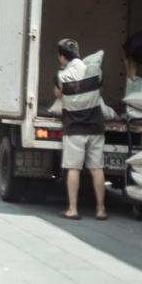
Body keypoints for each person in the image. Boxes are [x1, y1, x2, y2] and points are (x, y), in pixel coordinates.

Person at [54, 39, 107, 221]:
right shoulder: (94, 71)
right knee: (97, 168)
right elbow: (100, 87)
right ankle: (101, 210)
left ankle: (73, 209)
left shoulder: (61, 77)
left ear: (62, 57)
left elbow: (58, 95)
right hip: (95, 127)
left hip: (74, 129)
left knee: (74, 168)